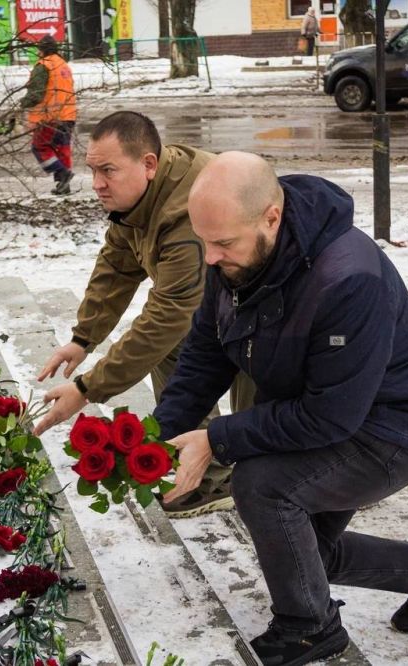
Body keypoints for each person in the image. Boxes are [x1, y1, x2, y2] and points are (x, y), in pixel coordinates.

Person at [153, 152, 408, 666]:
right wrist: (158, 436)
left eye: (221, 244)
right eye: (204, 242)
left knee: (263, 486)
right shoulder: (238, 253)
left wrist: (216, 440)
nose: (210, 258)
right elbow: (207, 349)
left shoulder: (348, 278)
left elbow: (330, 417)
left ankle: (308, 627)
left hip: (393, 428)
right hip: (327, 411)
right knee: (309, 558)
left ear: (271, 217)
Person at [33, 111, 253, 517]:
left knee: (258, 402)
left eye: (108, 171)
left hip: (275, 311)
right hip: (228, 304)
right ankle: (211, 471)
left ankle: (288, 478)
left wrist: (86, 388)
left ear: (148, 164)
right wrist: (83, 338)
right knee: (174, 350)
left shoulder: (185, 212)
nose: (97, 184)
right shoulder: (138, 198)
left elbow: (170, 313)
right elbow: (117, 264)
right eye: (92, 170)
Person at [20, 35, 76, 195]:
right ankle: (64, 185)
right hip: (68, 115)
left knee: (40, 147)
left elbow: (36, 94)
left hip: (50, 117)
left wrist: (22, 103)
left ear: (41, 50)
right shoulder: (63, 65)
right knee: (62, 150)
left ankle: (62, 173)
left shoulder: (43, 66)